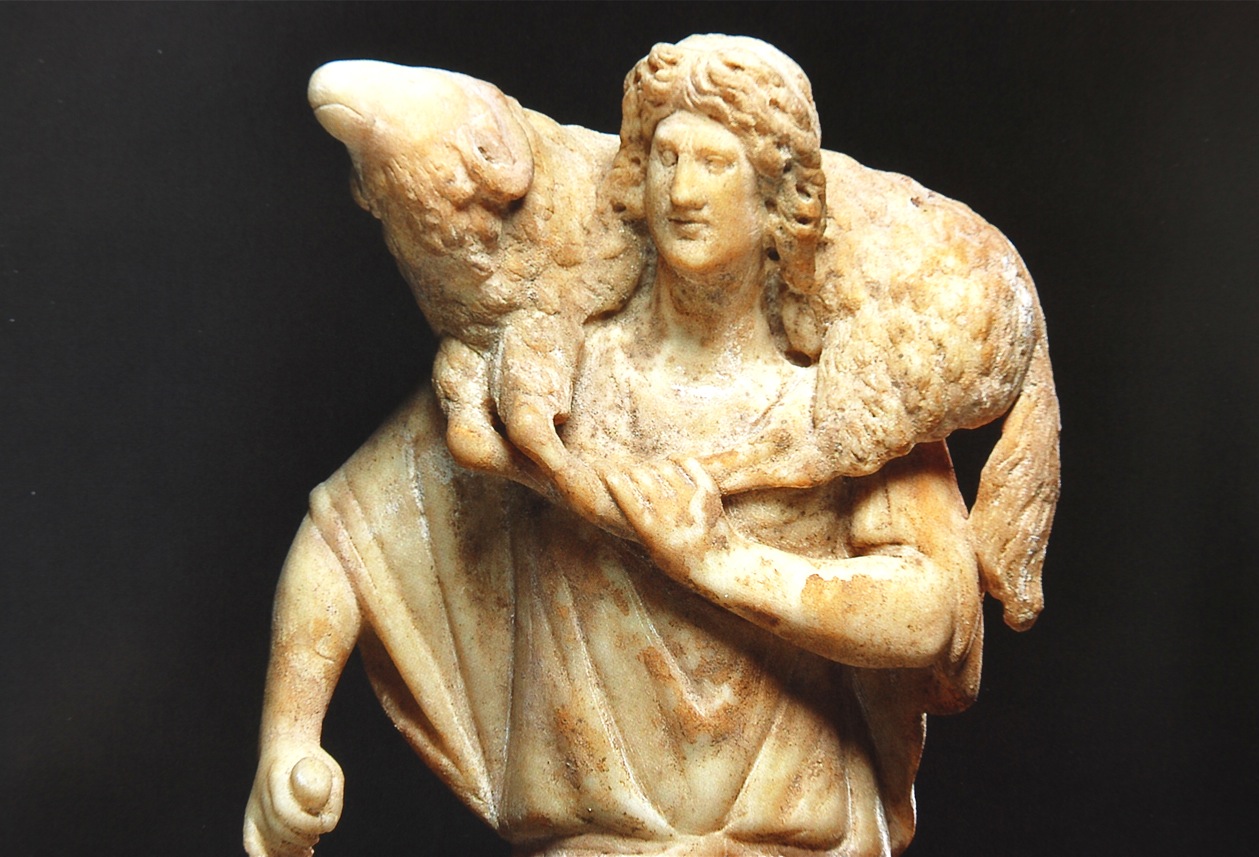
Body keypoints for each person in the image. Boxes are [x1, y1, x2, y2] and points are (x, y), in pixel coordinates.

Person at [245, 35, 983, 857]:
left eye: (714, 163)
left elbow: (935, 611)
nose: (684, 191)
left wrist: (723, 562)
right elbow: (351, 532)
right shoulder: (551, 385)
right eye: (666, 159)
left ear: (780, 199)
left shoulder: (842, 405)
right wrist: (289, 737)